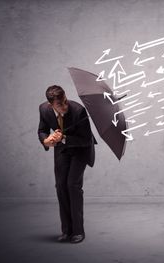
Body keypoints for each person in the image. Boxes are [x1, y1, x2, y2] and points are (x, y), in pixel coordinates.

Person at [37, 85, 97, 243]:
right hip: (62, 151)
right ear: (51, 105)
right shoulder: (44, 109)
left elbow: (86, 140)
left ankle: (78, 232)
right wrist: (46, 140)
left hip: (80, 150)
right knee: (61, 187)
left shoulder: (79, 111)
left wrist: (63, 138)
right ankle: (67, 231)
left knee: (72, 186)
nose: (64, 106)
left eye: (65, 101)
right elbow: (42, 130)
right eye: (60, 104)